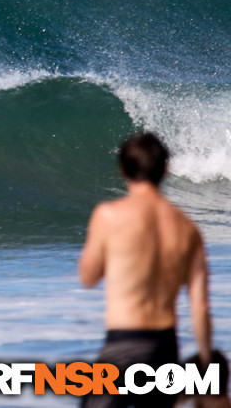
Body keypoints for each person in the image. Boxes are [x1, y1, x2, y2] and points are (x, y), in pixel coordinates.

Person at [78, 132, 212, 408]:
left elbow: (88, 277)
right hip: (165, 348)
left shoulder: (108, 215)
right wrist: (206, 363)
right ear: (165, 169)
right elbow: (200, 306)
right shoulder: (188, 228)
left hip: (123, 344)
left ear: (122, 169)